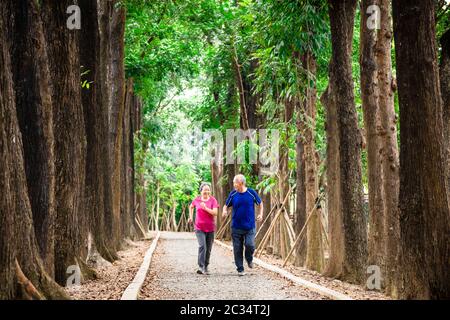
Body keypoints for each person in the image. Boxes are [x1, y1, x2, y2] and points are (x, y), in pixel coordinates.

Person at [222, 174, 263, 276]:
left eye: (235, 183)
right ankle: (240, 269)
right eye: (234, 183)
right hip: (236, 226)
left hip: (250, 226)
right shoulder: (233, 194)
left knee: (250, 245)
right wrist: (224, 211)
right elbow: (226, 205)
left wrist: (260, 214)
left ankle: (249, 259)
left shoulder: (251, 192)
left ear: (242, 183)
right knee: (237, 248)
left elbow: (260, 203)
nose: (234, 185)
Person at [188, 182, 219, 275]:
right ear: (201, 191)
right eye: (205, 189)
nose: (207, 191)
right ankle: (201, 267)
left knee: (208, 248)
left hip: (210, 228)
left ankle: (206, 266)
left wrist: (205, 208)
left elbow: (215, 213)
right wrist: (190, 217)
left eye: (208, 189)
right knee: (202, 246)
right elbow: (191, 206)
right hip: (199, 228)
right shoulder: (197, 200)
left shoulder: (213, 200)